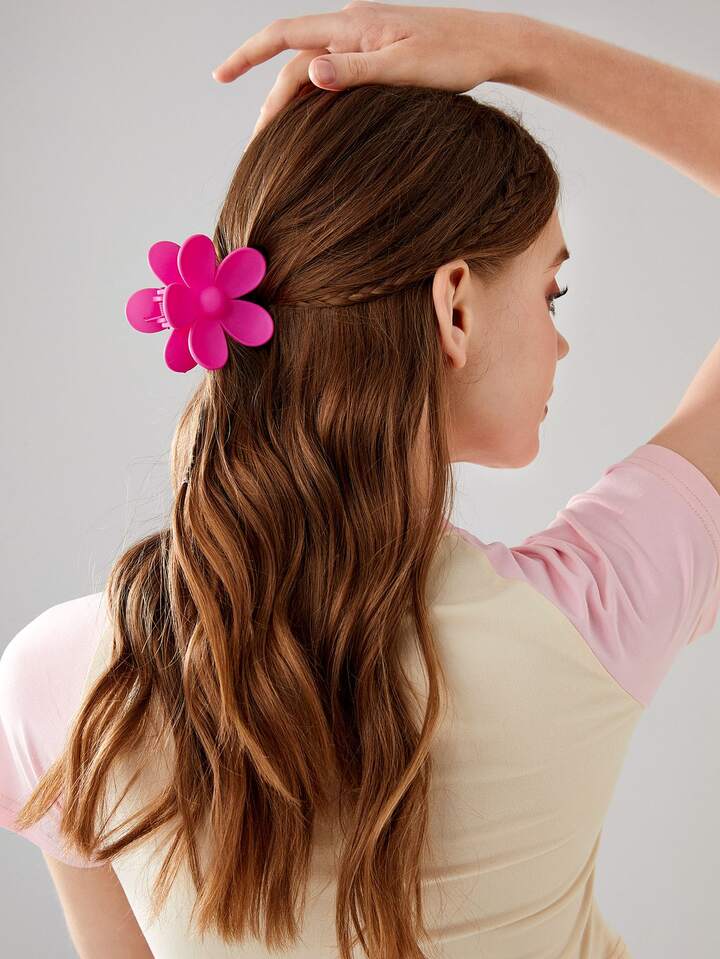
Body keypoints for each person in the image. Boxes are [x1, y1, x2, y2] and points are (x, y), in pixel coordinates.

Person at [2, 5, 719, 958]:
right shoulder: (595, 612)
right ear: (454, 307)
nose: (560, 342)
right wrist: (516, 50)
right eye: (552, 291)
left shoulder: (77, 686)